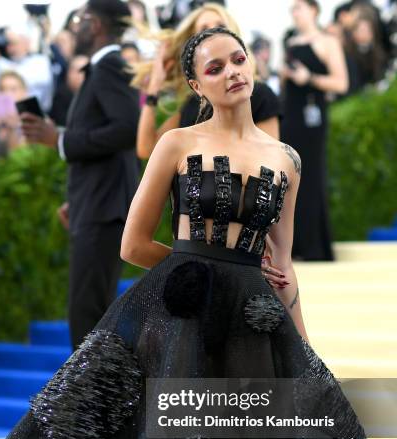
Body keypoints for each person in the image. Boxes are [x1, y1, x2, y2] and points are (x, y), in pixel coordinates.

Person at [0, 24, 397, 439]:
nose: (234, 71)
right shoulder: (176, 143)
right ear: (196, 83)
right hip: (179, 323)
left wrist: (301, 344)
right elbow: (133, 243)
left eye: (239, 59)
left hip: (257, 330)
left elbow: (280, 261)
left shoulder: (286, 158)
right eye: (216, 67)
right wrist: (195, 272)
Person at [20, 0, 141, 350]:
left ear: (97, 24)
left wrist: (58, 139)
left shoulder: (109, 67)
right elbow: (107, 138)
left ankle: (94, 404)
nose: (74, 26)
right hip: (95, 206)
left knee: (87, 321)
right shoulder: (102, 69)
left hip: (104, 212)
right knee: (89, 318)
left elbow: (126, 129)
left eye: (80, 18)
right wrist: (78, 199)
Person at [132, 1, 282, 161]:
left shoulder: (259, 94)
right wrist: (154, 85)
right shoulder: (191, 105)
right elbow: (146, 148)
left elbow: (270, 165)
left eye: (221, 26)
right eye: (204, 29)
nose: (213, 32)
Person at [280, 0, 349, 261]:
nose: (294, 13)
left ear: (313, 10)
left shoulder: (327, 42)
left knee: (311, 176)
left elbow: (341, 83)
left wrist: (308, 78)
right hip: (291, 115)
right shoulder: (291, 42)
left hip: (313, 117)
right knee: (289, 178)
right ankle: (293, 245)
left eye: (299, 7)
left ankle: (314, 246)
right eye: (292, 9)